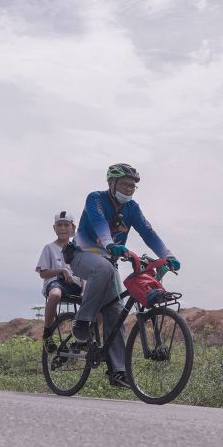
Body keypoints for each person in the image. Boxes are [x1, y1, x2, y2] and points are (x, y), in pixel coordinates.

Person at [67, 163, 180, 388]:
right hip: (82, 255)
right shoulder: (95, 199)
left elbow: (148, 232)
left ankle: (118, 371)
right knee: (105, 268)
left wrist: (168, 254)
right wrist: (109, 244)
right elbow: (100, 225)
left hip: (108, 260)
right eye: (125, 184)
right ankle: (82, 320)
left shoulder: (132, 208)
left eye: (133, 186)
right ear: (112, 183)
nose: (129, 189)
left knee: (116, 312)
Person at [36, 211, 83, 346]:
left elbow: (84, 272)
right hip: (55, 283)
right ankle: (47, 333)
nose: (62, 228)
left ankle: (88, 335)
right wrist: (61, 271)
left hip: (76, 284)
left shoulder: (78, 249)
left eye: (66, 225)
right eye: (59, 225)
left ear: (73, 227)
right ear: (54, 227)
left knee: (99, 303)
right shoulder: (49, 248)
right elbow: (43, 273)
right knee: (55, 294)